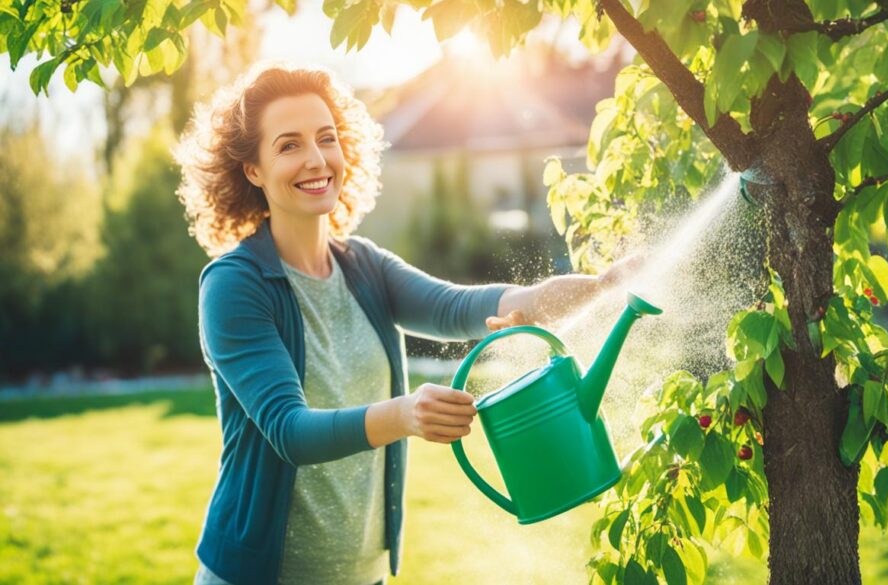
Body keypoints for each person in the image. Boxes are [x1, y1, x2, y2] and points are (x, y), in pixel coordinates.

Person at [174, 62, 635, 585]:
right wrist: (407, 414)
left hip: (364, 575)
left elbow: (466, 306)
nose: (316, 159)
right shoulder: (235, 286)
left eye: (327, 138)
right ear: (252, 170)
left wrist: (602, 287)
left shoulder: (364, 267)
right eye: (288, 145)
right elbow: (290, 431)